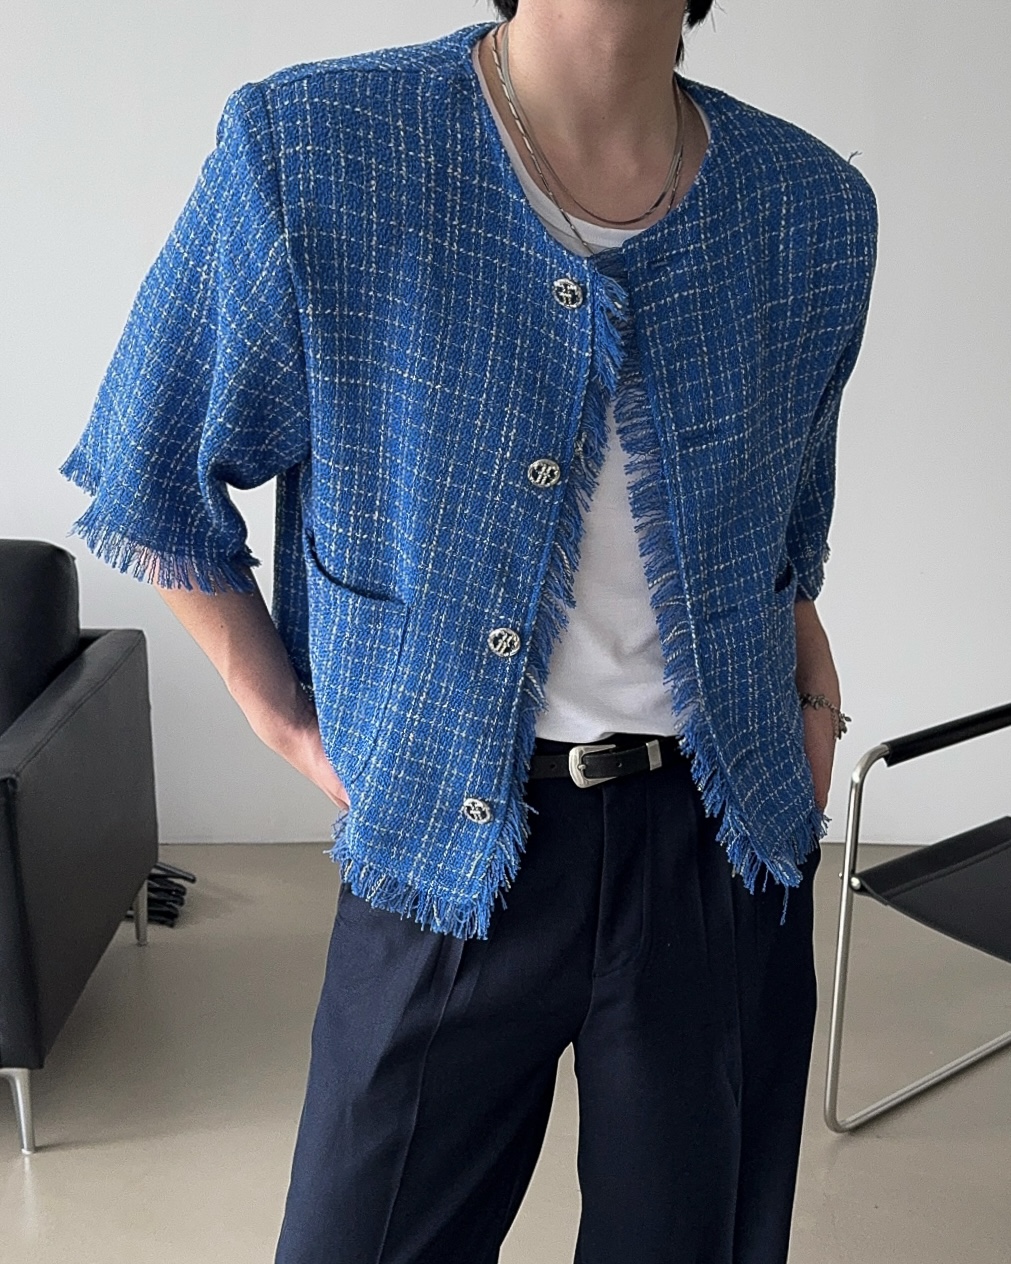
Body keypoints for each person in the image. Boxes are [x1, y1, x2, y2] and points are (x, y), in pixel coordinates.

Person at [58, 2, 877, 1260]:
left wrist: (810, 686)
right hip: (444, 828)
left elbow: (785, 512)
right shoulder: (320, 149)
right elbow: (151, 465)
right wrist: (284, 715)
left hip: (716, 840)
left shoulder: (812, 208)